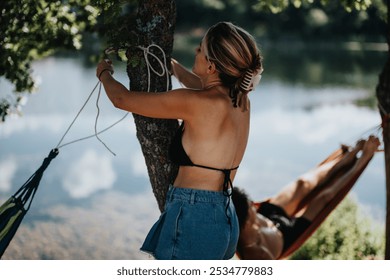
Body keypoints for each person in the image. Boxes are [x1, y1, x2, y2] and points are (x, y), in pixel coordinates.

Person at [96, 22, 263, 260]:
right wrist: (173, 67)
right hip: (225, 217)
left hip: (195, 215)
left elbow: (122, 99)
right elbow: (202, 86)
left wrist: (104, 73)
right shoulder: (241, 102)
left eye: (200, 49)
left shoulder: (196, 102)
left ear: (212, 66)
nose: (195, 51)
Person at [232, 136, 380, 260]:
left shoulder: (244, 214)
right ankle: (364, 158)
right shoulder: (257, 253)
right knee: (323, 197)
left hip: (269, 216)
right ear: (245, 223)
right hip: (288, 234)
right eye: (251, 209)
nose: (253, 205)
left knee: (303, 184)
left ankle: (345, 158)